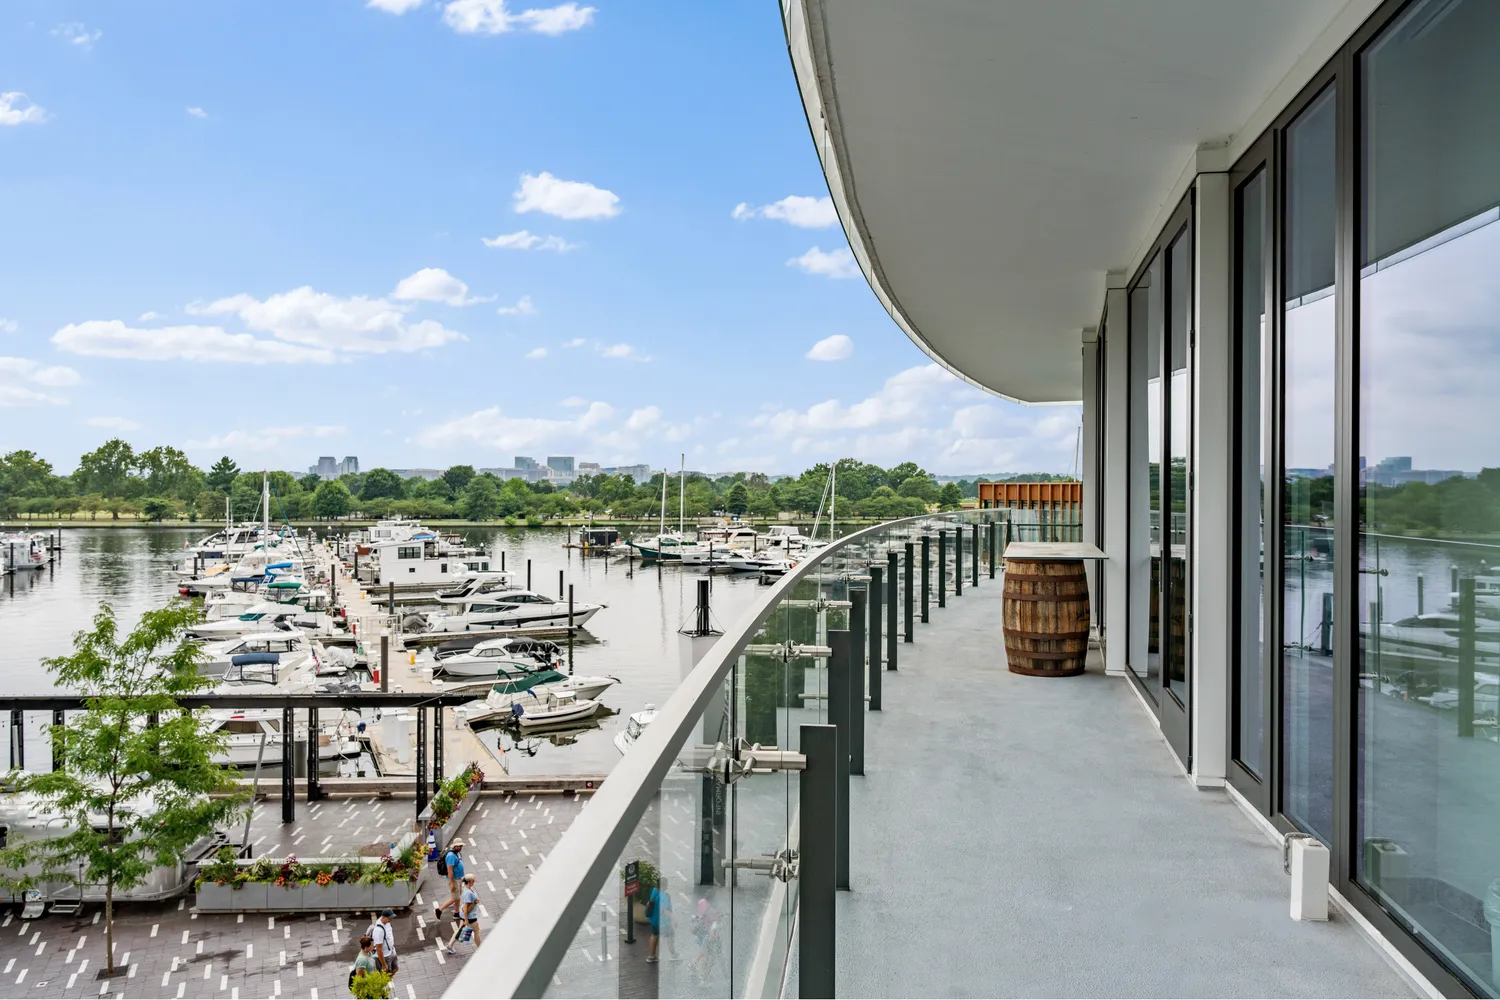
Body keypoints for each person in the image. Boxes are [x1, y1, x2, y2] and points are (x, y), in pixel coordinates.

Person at [445, 874, 483, 954]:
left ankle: (450, 945)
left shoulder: (467, 889)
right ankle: (480, 949)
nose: (474, 881)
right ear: (469, 882)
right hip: (470, 916)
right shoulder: (468, 893)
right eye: (473, 880)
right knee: (476, 931)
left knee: (460, 930)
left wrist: (475, 901)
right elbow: (465, 907)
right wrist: (466, 920)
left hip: (465, 915)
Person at [435, 839, 466, 923]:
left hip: (458, 878)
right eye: (458, 846)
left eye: (460, 846)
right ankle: (439, 910)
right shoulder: (451, 856)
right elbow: (450, 870)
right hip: (454, 879)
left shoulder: (456, 853)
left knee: (458, 896)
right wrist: (452, 883)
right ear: (455, 846)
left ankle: (456, 913)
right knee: (455, 897)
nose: (460, 847)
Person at [646, 875, 673, 963]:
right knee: (670, 936)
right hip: (663, 921)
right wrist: (674, 919)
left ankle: (651, 956)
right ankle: (673, 955)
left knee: (654, 936)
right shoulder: (664, 896)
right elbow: (665, 910)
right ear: (664, 886)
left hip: (654, 919)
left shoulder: (655, 891)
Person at [370, 908, 399, 978]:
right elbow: (378, 949)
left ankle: (386, 981)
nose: (390, 919)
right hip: (385, 956)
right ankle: (383, 985)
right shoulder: (379, 930)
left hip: (391, 951)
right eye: (389, 918)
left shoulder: (387, 922)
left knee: (395, 968)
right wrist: (383, 964)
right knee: (385, 975)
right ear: (383, 917)